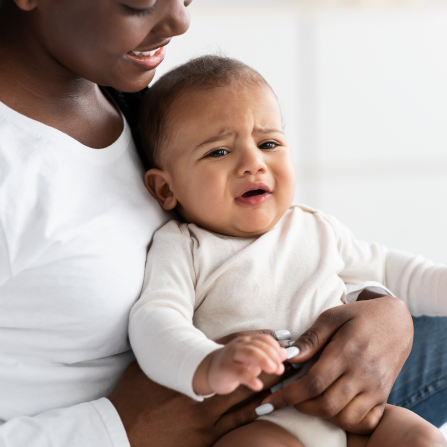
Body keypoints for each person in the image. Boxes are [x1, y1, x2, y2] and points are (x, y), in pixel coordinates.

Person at [0, 0, 444, 446]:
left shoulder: (133, 97)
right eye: (141, 2)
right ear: (163, 187)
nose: (180, 21)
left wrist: (385, 313)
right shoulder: (22, 173)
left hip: (301, 389)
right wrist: (120, 428)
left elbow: (368, 266)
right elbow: (158, 316)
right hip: (230, 421)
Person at [130, 55, 447, 447]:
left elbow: (398, 272)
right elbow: (155, 322)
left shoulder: (314, 226)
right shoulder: (185, 247)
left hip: (354, 415)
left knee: (421, 438)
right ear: (165, 189)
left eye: (269, 143)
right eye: (218, 152)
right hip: (261, 423)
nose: (253, 163)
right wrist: (205, 363)